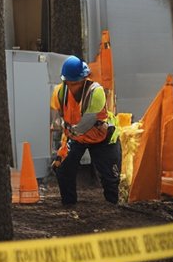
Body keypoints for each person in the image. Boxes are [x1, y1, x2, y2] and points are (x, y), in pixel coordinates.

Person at [50, 55, 121, 206]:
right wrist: (60, 125)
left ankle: (112, 206)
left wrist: (68, 129)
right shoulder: (59, 92)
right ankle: (69, 205)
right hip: (76, 137)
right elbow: (56, 118)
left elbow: (87, 123)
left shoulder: (96, 92)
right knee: (62, 169)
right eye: (69, 82)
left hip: (102, 137)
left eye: (76, 82)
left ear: (84, 79)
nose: (72, 86)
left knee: (110, 177)